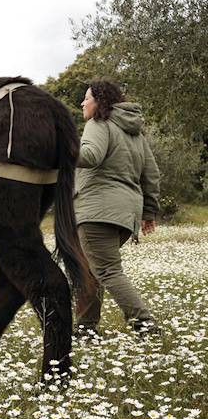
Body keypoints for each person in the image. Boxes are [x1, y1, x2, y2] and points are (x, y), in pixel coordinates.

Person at [74, 79, 161, 336]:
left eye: (86, 98)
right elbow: (152, 174)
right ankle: (85, 328)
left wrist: (60, 143)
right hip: (125, 215)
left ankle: (145, 325)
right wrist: (149, 213)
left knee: (107, 270)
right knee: (89, 269)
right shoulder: (135, 134)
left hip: (97, 211)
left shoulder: (98, 124)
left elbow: (90, 156)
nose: (82, 102)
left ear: (98, 101)